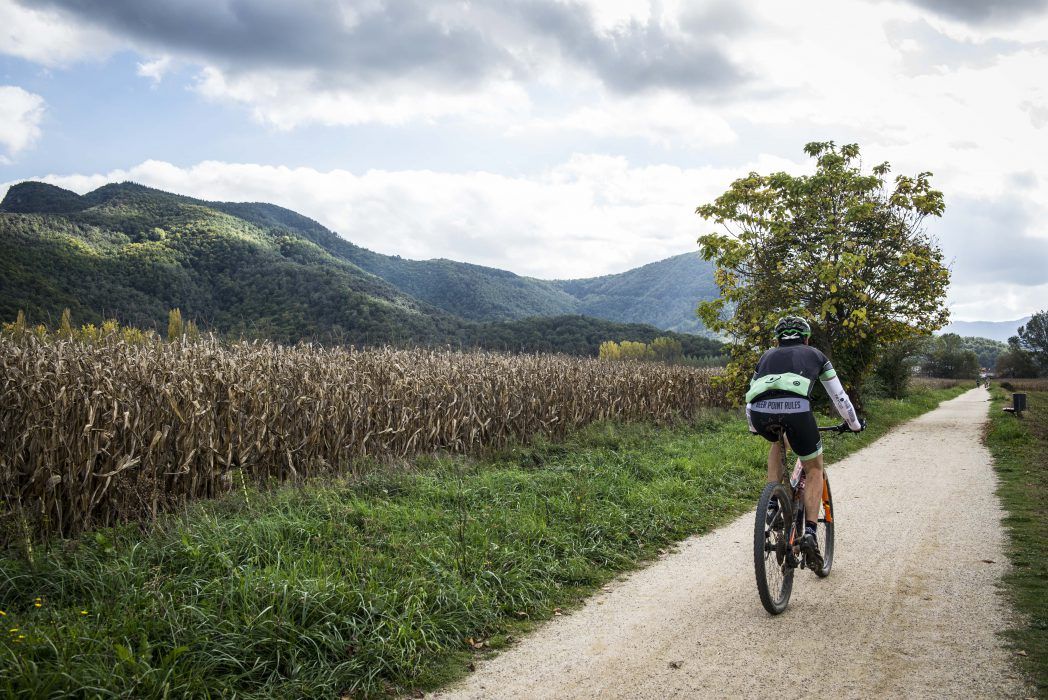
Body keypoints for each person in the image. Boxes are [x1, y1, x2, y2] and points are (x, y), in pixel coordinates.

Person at [746, 316, 865, 569]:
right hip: (797, 411)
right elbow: (840, 397)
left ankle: (772, 505)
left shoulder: (765, 356)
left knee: (777, 443)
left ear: (777, 340)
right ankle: (810, 532)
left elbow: (751, 394)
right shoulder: (817, 355)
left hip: (759, 412)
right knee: (814, 468)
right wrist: (854, 424)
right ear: (807, 338)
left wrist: (753, 427)